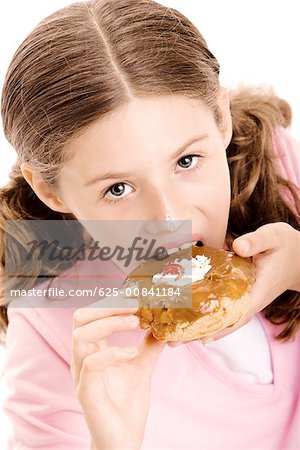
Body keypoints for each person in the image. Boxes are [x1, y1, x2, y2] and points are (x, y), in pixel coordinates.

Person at [0, 0, 299, 448]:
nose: (169, 218)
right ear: (51, 189)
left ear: (220, 118)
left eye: (186, 160)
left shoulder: (279, 169)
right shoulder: (50, 326)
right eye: (118, 188)